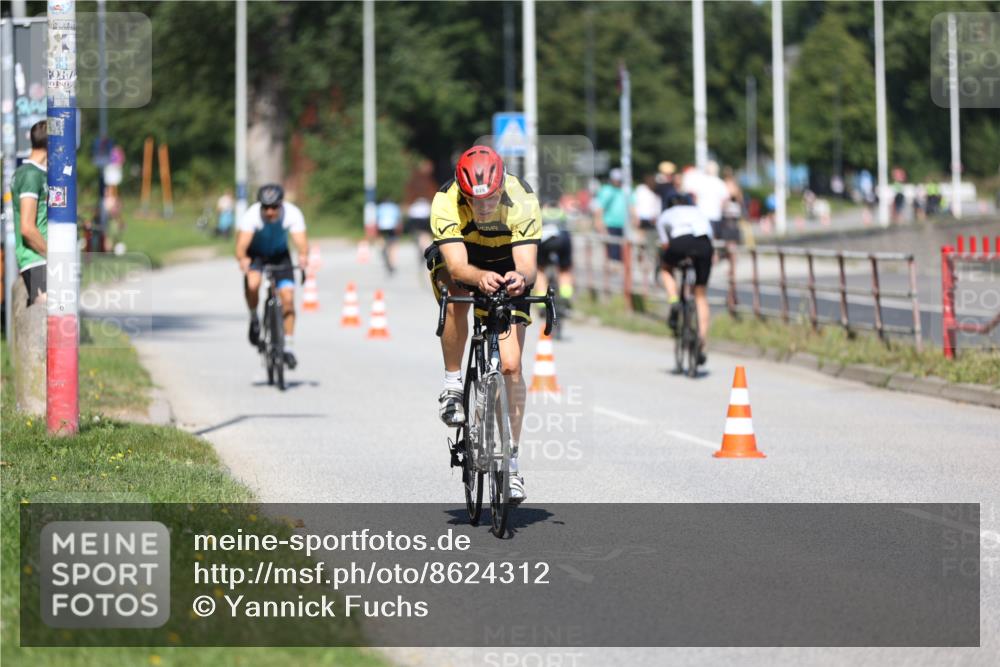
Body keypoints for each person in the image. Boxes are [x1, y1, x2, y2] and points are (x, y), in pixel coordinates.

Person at [427, 145, 540, 502]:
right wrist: (478, 277)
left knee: (511, 366)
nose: (484, 206)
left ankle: (513, 463)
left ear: (501, 186)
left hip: (507, 256)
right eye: (475, 200)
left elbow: (527, 265)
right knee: (457, 290)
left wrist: (520, 279)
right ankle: (452, 384)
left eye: (490, 199)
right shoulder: (445, 200)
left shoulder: (521, 197)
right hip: (464, 257)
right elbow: (459, 266)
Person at [235, 184, 309, 369]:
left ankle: (289, 347)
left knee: (288, 299)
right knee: (253, 285)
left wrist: (303, 256)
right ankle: (254, 318)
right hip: (256, 254)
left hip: (280, 255)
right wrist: (243, 259)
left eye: (274, 207)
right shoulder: (251, 216)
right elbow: (241, 246)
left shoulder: (292, 214)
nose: (269, 212)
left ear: (281, 205)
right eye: (265, 207)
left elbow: (301, 241)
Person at [656, 193, 714, 366]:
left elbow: (665, 244)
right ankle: (702, 342)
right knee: (700, 294)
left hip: (679, 242)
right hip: (703, 244)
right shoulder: (698, 212)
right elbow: (710, 235)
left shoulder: (666, 214)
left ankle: (674, 300)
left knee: (665, 268)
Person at [12, 120, 48, 306]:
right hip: (37, 260)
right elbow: (27, 227)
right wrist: (53, 255)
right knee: (48, 321)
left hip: (38, 259)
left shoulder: (32, 173)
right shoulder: (31, 175)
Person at [536, 199, 574, 303]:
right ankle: (566, 299)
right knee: (564, 270)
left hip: (544, 242)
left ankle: (541, 304)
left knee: (540, 270)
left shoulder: (541, 212)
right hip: (563, 240)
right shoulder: (563, 212)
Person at [593, 168, 633, 262]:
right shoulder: (606, 191)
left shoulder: (626, 190)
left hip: (624, 225)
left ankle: (621, 272)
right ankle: (614, 272)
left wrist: (635, 219)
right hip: (610, 225)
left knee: (624, 253)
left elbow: (632, 206)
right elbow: (599, 208)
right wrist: (599, 223)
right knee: (613, 253)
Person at [375, 197, 402, 274]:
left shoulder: (379, 207)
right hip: (392, 226)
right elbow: (398, 219)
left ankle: (383, 248)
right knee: (393, 245)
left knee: (382, 238)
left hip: (382, 226)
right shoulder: (394, 207)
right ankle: (392, 263)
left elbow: (377, 218)